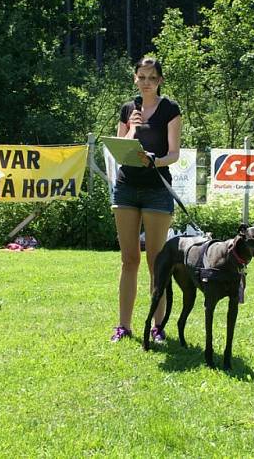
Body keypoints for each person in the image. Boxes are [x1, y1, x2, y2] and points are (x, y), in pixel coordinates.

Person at [110, 57, 182, 342]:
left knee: (156, 261)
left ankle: (158, 326)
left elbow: (174, 154)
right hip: (126, 188)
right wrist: (132, 128)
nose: (147, 83)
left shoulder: (170, 109)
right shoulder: (128, 109)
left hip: (157, 190)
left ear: (160, 81)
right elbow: (119, 149)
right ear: (135, 79)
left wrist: (157, 160)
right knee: (129, 260)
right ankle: (123, 327)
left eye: (152, 78)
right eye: (142, 77)